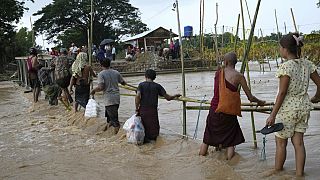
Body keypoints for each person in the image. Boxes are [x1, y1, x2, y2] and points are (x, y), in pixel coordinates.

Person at [265, 33, 320, 176]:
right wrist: (316, 97)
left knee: (281, 143)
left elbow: (282, 93)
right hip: (303, 108)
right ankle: (300, 175)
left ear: (285, 49)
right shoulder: (307, 64)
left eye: (280, 48)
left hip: (287, 110)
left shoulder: (286, 67)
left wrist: (272, 115)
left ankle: (277, 173)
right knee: (299, 143)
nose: (279, 50)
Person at [199, 52, 265, 160]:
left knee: (207, 139)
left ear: (225, 62)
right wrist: (260, 102)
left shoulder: (218, 73)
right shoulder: (239, 76)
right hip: (229, 112)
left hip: (214, 110)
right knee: (231, 141)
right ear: (236, 62)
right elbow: (250, 97)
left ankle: (200, 159)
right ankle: (230, 164)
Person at [135, 69, 181, 143]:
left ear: (145, 76)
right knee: (153, 133)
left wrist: (137, 109)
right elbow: (168, 98)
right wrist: (175, 95)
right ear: (154, 77)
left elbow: (137, 96)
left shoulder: (141, 85)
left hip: (143, 110)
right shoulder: (157, 86)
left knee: (142, 130)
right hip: (153, 112)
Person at [90, 59, 126, 134]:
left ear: (101, 65)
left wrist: (93, 90)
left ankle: (117, 137)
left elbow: (101, 87)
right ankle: (108, 132)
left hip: (109, 99)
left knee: (115, 120)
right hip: (116, 98)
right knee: (110, 118)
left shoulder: (101, 74)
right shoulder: (116, 72)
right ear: (110, 64)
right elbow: (123, 82)